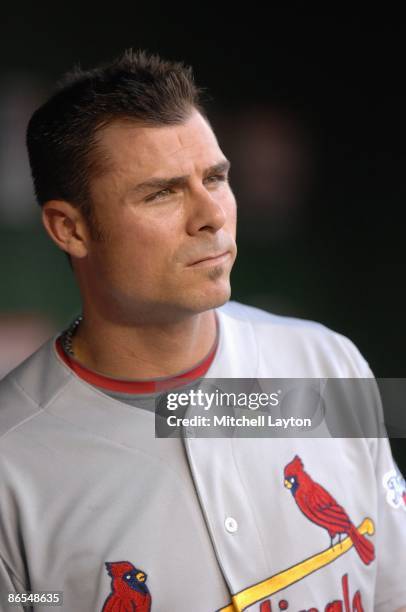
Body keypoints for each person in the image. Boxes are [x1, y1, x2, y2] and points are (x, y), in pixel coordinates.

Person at [0, 49, 405, 612]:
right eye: (162, 192)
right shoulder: (11, 461)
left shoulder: (325, 363)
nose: (211, 215)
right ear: (69, 228)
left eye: (215, 178)